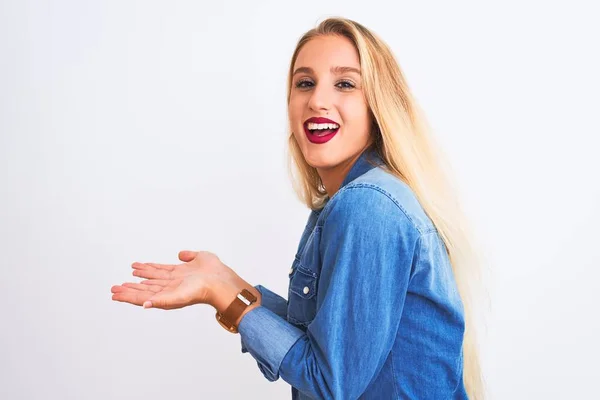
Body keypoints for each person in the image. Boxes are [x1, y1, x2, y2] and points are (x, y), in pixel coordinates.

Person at [111, 17, 485, 399]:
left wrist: (224, 297)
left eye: (345, 84)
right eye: (304, 83)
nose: (317, 100)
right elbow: (318, 342)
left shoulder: (368, 206)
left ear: (379, 106)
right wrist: (223, 281)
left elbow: (330, 383)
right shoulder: (344, 204)